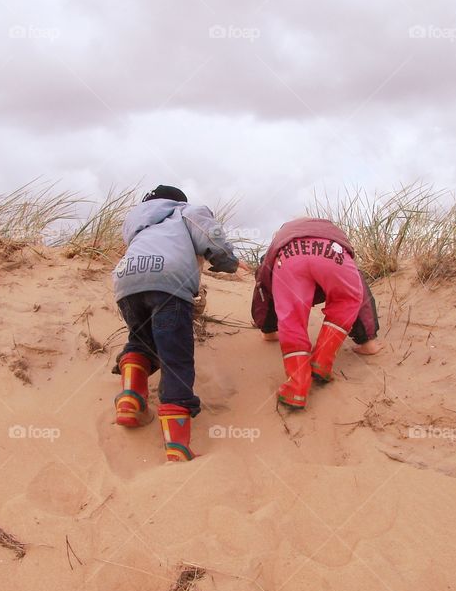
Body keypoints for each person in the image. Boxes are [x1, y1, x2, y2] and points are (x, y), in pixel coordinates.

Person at [113, 185, 240, 461]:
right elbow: (212, 238)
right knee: (176, 359)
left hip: (126, 281)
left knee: (140, 340)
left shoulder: (135, 221)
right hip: (169, 282)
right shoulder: (186, 211)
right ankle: (177, 445)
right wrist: (227, 262)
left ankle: (130, 398)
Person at [251, 217, 383, 408]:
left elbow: (263, 288)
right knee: (348, 299)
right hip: (332, 252)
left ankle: (295, 390)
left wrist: (267, 329)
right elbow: (360, 295)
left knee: (292, 317)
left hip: (289, 258)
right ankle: (321, 362)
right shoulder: (330, 232)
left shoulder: (280, 241)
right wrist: (368, 340)